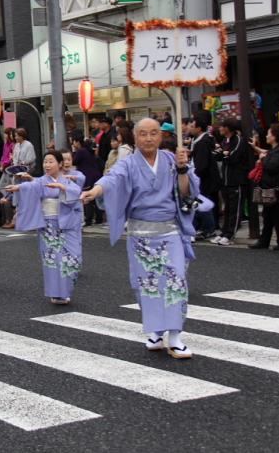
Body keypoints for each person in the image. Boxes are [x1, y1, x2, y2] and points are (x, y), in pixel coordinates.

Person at [81, 118, 199, 359]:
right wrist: (96, 190)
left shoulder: (171, 159)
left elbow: (186, 192)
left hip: (169, 231)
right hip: (141, 235)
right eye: (143, 133)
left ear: (161, 136)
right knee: (147, 285)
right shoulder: (128, 164)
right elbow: (112, 178)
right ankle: (156, 331)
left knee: (176, 281)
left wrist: (183, 169)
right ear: (135, 137)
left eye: (154, 133)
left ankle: (175, 336)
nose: (148, 138)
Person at [6, 151, 83, 305]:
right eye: (45, 162)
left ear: (60, 164)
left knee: (73, 259)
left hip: (66, 224)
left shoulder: (67, 181)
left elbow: (76, 192)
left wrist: (62, 187)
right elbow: (30, 186)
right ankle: (57, 293)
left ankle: (65, 289)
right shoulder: (41, 181)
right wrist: (18, 187)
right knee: (52, 259)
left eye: (51, 161)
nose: (47, 165)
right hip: (48, 225)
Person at [249, 124, 279, 251]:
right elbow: (266, 154)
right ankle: (264, 241)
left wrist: (262, 159)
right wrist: (256, 149)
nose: (267, 136)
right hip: (270, 188)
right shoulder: (275, 150)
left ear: (275, 136)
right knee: (267, 217)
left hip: (278, 189)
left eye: (269, 134)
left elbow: (272, 166)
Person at [213, 118, 249, 246]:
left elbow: (232, 157)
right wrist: (224, 153)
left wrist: (224, 154)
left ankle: (230, 235)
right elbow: (216, 155)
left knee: (235, 209)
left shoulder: (238, 140)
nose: (220, 128)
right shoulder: (224, 140)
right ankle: (224, 232)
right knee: (227, 209)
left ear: (228, 128)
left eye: (222, 126)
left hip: (237, 180)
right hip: (226, 180)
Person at [188, 116, 220, 240]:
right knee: (200, 204)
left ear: (199, 128)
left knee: (202, 203)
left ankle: (208, 228)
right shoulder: (200, 140)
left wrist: (193, 175)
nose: (190, 128)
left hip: (204, 179)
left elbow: (202, 164)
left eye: (192, 126)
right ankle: (202, 227)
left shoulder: (203, 142)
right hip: (203, 178)